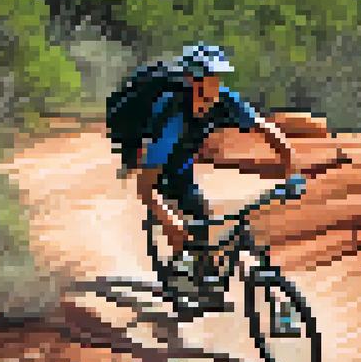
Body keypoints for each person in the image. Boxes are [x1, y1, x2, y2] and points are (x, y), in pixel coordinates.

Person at [111, 43, 298, 314]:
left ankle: (203, 277)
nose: (216, 83)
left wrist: (292, 172)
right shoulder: (172, 117)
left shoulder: (226, 100)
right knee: (181, 222)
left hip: (183, 161)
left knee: (201, 216)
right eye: (210, 77)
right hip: (160, 163)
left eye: (218, 77)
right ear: (192, 80)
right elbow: (146, 185)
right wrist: (168, 220)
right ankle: (180, 277)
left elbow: (267, 131)